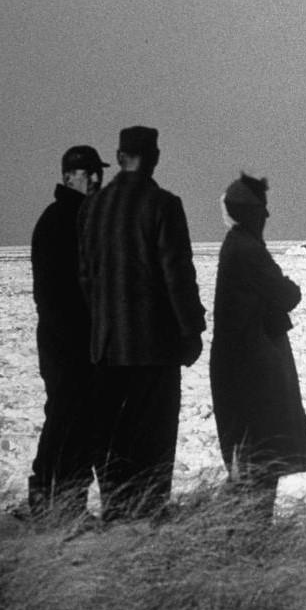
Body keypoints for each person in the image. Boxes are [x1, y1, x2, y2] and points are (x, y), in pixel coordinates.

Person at [78, 126, 205, 521]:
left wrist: (101, 326)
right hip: (154, 349)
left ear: (118, 157)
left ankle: (115, 510)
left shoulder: (92, 208)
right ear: (155, 157)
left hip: (106, 348)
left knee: (112, 438)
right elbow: (177, 276)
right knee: (153, 439)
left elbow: (85, 278)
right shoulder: (163, 205)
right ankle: (148, 512)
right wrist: (191, 331)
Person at [209, 173, 306, 521]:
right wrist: (288, 289)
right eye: (263, 209)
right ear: (253, 211)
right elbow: (286, 294)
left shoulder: (235, 245)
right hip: (255, 370)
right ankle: (248, 535)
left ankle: (238, 532)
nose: (268, 216)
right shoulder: (248, 249)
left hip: (242, 365)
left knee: (249, 455)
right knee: (261, 456)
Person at [27, 145, 109, 519]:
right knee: (64, 422)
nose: (95, 178)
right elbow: (55, 294)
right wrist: (80, 341)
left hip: (77, 346)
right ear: (69, 177)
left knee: (79, 428)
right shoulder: (61, 220)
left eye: (97, 171)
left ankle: (67, 507)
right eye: (88, 172)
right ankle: (46, 502)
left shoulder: (78, 217)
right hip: (68, 347)